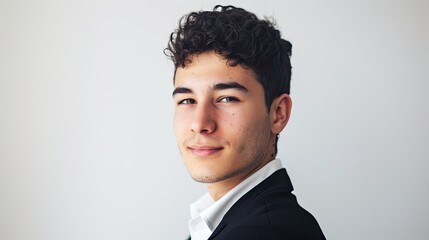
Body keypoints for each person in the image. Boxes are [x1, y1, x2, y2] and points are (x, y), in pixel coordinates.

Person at [164, 5, 326, 240]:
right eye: (188, 100)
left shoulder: (266, 233)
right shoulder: (233, 222)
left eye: (227, 98)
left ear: (278, 113)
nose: (200, 123)